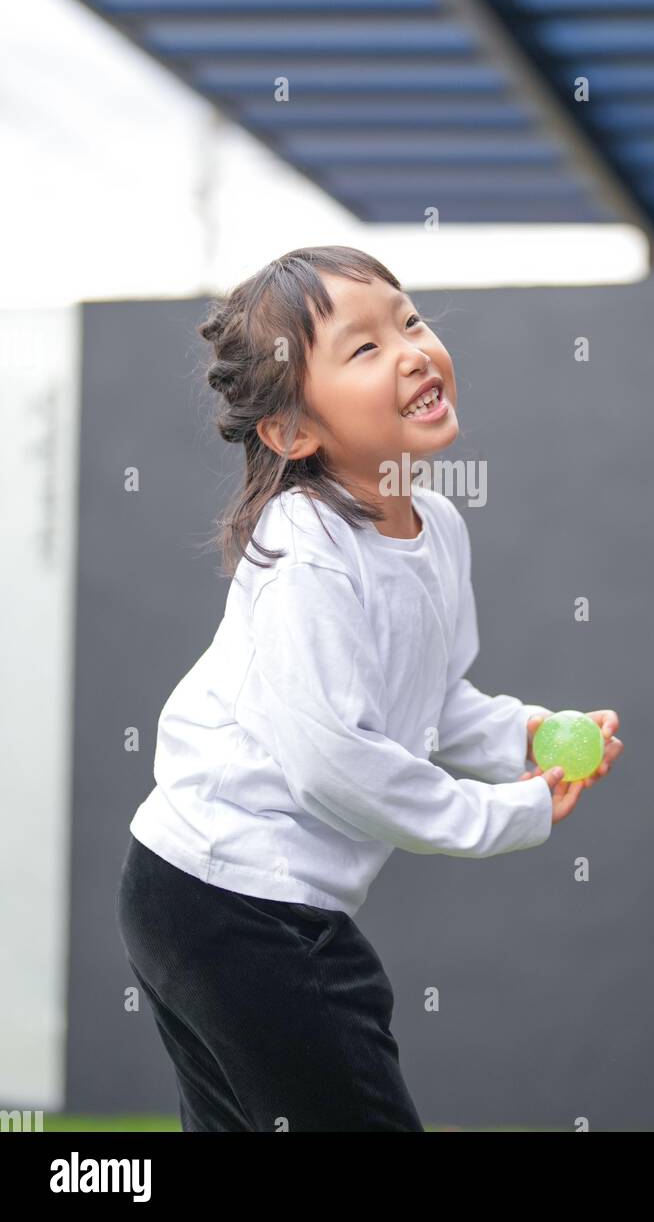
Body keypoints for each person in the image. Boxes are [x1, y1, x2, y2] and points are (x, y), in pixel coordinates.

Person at [115, 245, 623, 1132]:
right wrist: (503, 815)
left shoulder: (441, 529)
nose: (413, 350)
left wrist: (529, 737)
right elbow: (334, 763)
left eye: (411, 320)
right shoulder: (305, 549)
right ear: (291, 432)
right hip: (227, 899)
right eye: (363, 349)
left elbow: (432, 699)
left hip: (225, 897)